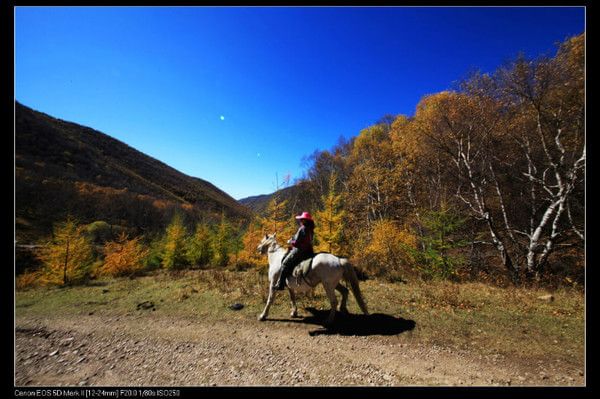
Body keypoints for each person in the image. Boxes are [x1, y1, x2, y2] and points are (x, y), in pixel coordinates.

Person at [275, 212, 315, 290]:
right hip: (308, 251)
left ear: (304, 220)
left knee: (285, 263)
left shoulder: (302, 228)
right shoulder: (311, 229)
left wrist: (290, 242)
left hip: (299, 250)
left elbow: (296, 243)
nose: (300, 220)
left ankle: (281, 284)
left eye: (301, 219)